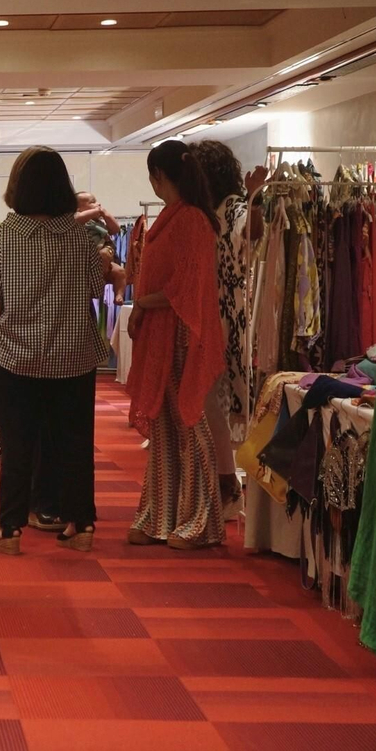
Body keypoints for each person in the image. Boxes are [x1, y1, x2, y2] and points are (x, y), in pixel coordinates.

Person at [0, 148, 109, 553]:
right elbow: (92, 287)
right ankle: (81, 524)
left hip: (16, 357)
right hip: (74, 357)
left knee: (17, 445)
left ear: (19, 186)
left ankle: (10, 530)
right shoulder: (77, 234)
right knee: (75, 442)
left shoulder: (8, 234)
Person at [125, 140, 228, 550]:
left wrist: (141, 305)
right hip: (161, 333)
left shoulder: (192, 221)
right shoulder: (171, 218)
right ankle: (161, 516)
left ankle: (200, 521)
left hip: (183, 333)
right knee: (166, 426)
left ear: (160, 176)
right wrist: (142, 308)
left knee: (188, 421)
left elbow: (184, 288)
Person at [189, 139, 253, 513]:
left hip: (231, 321)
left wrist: (260, 196)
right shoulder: (211, 213)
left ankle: (228, 487)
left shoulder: (233, 209)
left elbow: (251, 237)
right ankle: (222, 486)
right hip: (216, 319)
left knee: (215, 405)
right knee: (210, 405)